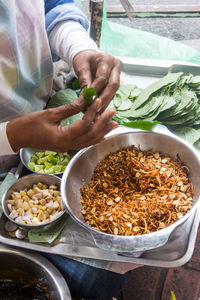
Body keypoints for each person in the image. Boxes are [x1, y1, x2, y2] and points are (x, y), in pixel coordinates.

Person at [0, 1, 130, 299]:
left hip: (40, 103)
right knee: (96, 282)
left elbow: (53, 6)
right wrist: (9, 136)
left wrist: (78, 48)